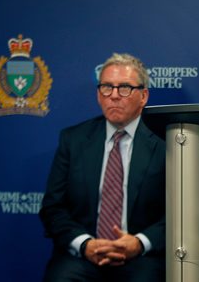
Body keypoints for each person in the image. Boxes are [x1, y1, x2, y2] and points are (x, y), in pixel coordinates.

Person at [39, 53, 165, 281]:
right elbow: (53, 208)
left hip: (142, 257)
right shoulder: (73, 140)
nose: (114, 96)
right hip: (83, 256)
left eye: (124, 88)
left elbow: (180, 213)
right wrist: (85, 244)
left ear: (143, 96)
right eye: (107, 87)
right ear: (98, 94)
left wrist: (139, 243)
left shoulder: (166, 144)